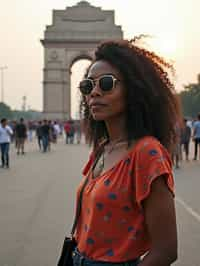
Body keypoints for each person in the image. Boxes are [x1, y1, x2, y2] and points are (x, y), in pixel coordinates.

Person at [71, 38, 181, 266]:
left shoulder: (148, 153)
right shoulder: (103, 147)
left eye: (107, 84)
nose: (94, 93)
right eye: (88, 86)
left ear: (133, 89)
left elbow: (166, 250)